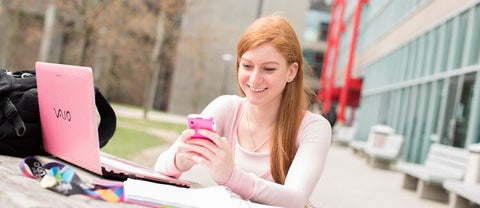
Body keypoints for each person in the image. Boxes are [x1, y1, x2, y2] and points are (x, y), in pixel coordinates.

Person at [154, 15, 331, 208]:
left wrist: (231, 176)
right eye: (247, 66)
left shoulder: (314, 127)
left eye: (269, 69)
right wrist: (179, 160)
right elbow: (161, 167)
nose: (254, 79)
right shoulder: (226, 107)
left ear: (291, 72)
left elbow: (295, 200)